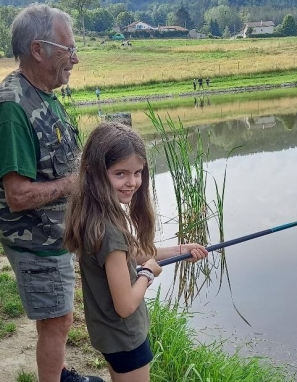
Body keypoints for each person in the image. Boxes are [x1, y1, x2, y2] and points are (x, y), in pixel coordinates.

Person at [0, 4, 104, 382]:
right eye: (68, 49)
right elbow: (18, 196)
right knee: (56, 319)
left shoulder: (42, 94)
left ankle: (59, 373)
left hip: (53, 236)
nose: (74, 59)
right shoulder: (13, 107)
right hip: (34, 241)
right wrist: (78, 182)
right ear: (38, 49)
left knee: (59, 315)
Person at [64, 122, 208, 382]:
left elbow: (132, 253)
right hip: (125, 337)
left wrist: (180, 249)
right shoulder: (109, 231)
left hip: (108, 334)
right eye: (121, 174)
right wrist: (147, 273)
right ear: (95, 172)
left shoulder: (93, 215)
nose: (132, 182)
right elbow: (126, 305)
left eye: (138, 172)